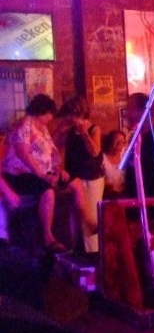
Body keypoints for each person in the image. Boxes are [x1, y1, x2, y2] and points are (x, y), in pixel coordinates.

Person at [1, 94, 91, 254]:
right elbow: (24, 154)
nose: (51, 118)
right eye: (50, 114)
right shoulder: (24, 125)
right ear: (43, 111)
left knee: (76, 183)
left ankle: (86, 223)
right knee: (47, 191)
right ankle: (48, 236)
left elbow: (52, 153)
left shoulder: (41, 129)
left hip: (44, 172)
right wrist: (43, 175)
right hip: (21, 174)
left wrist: (58, 168)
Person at [55, 96, 104, 253]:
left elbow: (95, 152)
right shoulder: (69, 131)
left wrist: (84, 134)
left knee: (89, 217)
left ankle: (94, 253)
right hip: (74, 178)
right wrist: (60, 129)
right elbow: (54, 146)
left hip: (91, 177)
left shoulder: (94, 129)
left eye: (71, 114)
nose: (70, 118)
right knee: (74, 217)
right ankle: (76, 250)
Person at [102, 130, 127, 199]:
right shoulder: (102, 159)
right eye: (116, 141)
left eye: (122, 141)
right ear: (110, 142)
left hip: (124, 195)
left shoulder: (125, 155)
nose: (119, 144)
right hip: (108, 196)